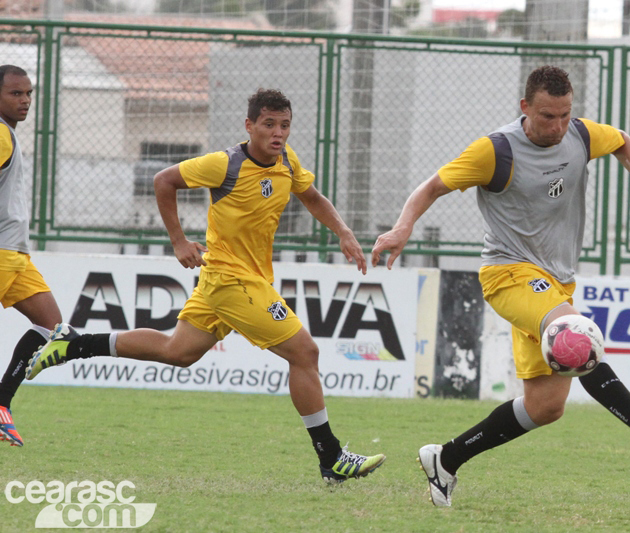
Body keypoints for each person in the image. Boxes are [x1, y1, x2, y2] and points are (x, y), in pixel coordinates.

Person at [371, 66, 630, 507]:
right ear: (525, 107)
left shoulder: (580, 136)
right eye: (548, 116)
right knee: (574, 337)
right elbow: (431, 187)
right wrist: (402, 228)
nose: (558, 126)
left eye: (566, 114)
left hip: (555, 284)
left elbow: (622, 139)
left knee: (546, 407)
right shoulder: (495, 151)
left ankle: (445, 459)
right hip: (509, 274)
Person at [28, 88, 386, 483]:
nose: (277, 133)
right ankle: (332, 458)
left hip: (228, 281)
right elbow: (164, 180)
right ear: (249, 126)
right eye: (268, 124)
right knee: (305, 352)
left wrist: (344, 231)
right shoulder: (225, 164)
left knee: (177, 351)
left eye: (284, 125)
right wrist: (179, 240)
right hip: (233, 282)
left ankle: (74, 344)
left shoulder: (287, 161)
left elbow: (311, 196)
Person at [0, 65, 64, 447]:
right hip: (2, 251)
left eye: (28, 94)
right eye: (15, 94)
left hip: (16, 254)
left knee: (53, 328)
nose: (24, 101)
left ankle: (1, 403)